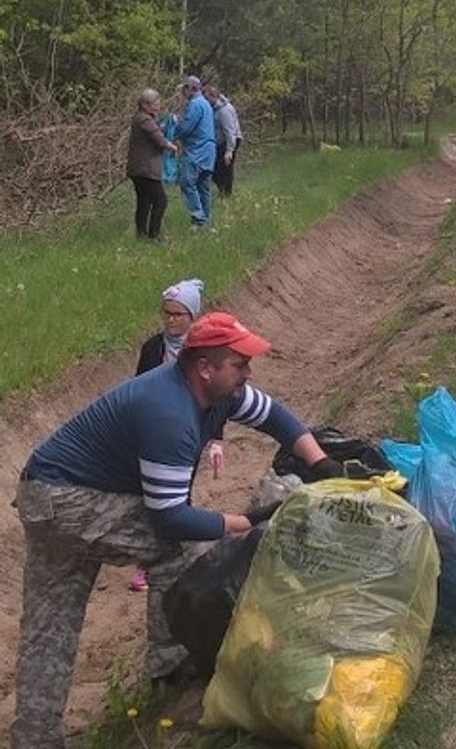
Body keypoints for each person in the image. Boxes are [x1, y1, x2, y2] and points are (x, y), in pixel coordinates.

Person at [11, 311, 348, 749]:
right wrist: (245, 522)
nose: (248, 373)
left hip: (46, 494)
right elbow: (169, 517)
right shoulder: (169, 413)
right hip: (63, 500)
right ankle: (170, 665)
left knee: (50, 625)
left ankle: (34, 738)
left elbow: (275, 417)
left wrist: (318, 460)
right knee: (185, 542)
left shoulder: (220, 392)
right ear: (205, 367)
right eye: (239, 364)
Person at [128, 278, 224, 592]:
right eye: (167, 314)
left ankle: (172, 554)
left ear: (193, 317)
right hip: (154, 430)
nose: (171, 320)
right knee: (147, 496)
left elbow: (216, 397)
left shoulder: (203, 353)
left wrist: (216, 439)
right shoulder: (152, 348)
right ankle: (148, 560)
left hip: (187, 432)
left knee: (176, 495)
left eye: (178, 315)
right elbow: (138, 389)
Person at [126, 89, 179, 243]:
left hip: (138, 169)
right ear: (144, 105)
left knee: (144, 202)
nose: (158, 106)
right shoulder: (144, 120)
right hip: (145, 169)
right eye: (154, 104)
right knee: (160, 201)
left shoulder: (142, 118)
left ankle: (142, 236)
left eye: (158, 103)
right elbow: (159, 138)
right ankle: (154, 236)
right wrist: (171, 146)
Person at [174, 75, 217, 230]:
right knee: (203, 186)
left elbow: (186, 129)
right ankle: (207, 221)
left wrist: (174, 126)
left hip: (196, 150)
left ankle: (199, 219)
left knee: (187, 182)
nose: (183, 92)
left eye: (185, 88)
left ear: (192, 88)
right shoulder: (205, 104)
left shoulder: (195, 104)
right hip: (209, 151)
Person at [203, 85, 243, 196]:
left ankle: (227, 194)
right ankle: (222, 190)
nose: (205, 101)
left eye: (207, 98)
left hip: (230, 140)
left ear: (213, 96)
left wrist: (229, 151)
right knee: (216, 169)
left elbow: (230, 131)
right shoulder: (213, 108)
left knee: (226, 168)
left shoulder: (224, 110)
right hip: (220, 141)